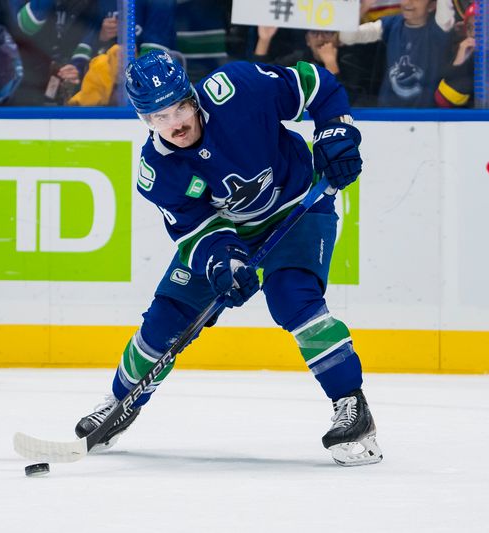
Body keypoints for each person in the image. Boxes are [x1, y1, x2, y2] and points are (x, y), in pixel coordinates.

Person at [74, 50, 382, 467]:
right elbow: (196, 230)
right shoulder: (157, 171)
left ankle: (352, 405)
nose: (175, 124)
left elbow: (317, 84)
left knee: (293, 297)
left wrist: (335, 132)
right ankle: (119, 402)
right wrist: (224, 261)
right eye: (158, 117)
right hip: (230, 232)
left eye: (180, 107)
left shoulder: (240, 90)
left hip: (297, 207)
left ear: (191, 96)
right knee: (168, 316)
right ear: (143, 119)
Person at [339, 0, 454, 107]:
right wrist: (364, 6)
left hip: (424, 116)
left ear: (432, 6)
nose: (408, 3)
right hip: (387, 113)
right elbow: (347, 37)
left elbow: (446, 11)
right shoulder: (391, 23)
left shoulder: (438, 28)